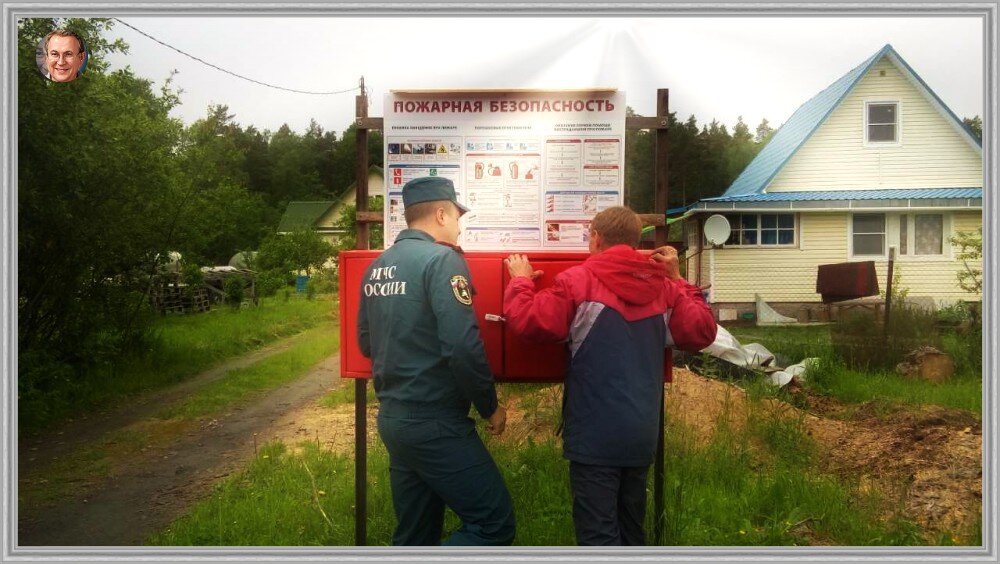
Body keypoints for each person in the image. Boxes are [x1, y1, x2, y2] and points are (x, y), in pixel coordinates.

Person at [503, 206, 717, 546]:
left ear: (596, 238)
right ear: (635, 241)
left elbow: (530, 322)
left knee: (597, 534)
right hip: (641, 434)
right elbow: (702, 332)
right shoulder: (664, 287)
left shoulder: (578, 280)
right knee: (631, 529)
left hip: (594, 435)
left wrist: (519, 280)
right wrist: (678, 279)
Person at [357, 176, 515, 546]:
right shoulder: (442, 260)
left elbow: (367, 343)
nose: (459, 227)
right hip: (435, 421)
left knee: (415, 536)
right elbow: (462, 345)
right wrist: (489, 406)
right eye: (458, 217)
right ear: (442, 214)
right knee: (494, 525)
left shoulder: (377, 267)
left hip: (393, 419)